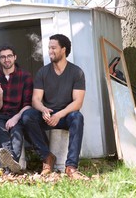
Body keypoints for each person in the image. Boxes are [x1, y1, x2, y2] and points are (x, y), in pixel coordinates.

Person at [21, 34, 89, 180]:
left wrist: (59, 115)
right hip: (48, 115)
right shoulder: (43, 72)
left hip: (66, 116)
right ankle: (47, 157)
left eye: (53, 48)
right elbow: (36, 100)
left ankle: (71, 167)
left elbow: (78, 102)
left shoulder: (76, 72)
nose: (50, 51)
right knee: (27, 117)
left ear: (63, 49)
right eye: (49, 48)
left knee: (78, 117)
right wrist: (43, 109)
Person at [0, 45, 33, 174]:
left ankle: (9, 167)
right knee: (1, 132)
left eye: (9, 56)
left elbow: (28, 104)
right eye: (3, 57)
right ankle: (12, 166)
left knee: (16, 133)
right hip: (0, 115)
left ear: (15, 57)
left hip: (18, 114)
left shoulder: (25, 76)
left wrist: (16, 117)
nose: (6, 59)